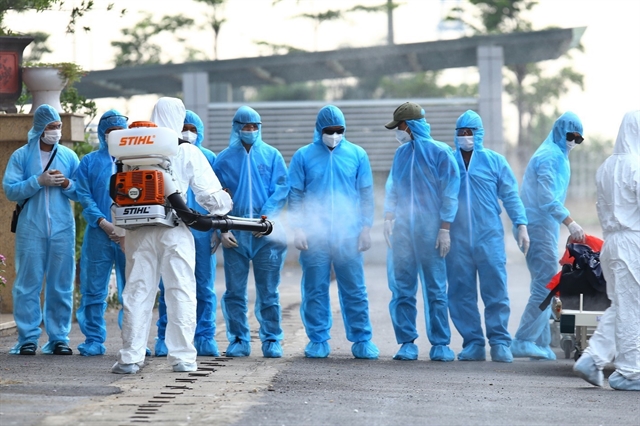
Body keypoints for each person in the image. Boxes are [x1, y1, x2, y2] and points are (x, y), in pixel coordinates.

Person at [112, 97, 232, 374]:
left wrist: (120, 231)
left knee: (138, 292)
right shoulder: (186, 151)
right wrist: (224, 204)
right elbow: (209, 194)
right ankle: (182, 357)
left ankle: (130, 357)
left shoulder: (132, 149)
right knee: (180, 291)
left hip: (138, 231)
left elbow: (120, 192)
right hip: (175, 228)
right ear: (179, 118)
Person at [289, 105, 379, 359]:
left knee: (354, 288)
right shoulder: (303, 156)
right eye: (330, 131)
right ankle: (318, 339)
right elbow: (295, 193)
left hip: (348, 233)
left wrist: (365, 228)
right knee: (315, 288)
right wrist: (298, 228)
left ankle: (362, 339)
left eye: (339, 130)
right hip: (314, 234)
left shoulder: (357, 154)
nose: (335, 135)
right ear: (320, 130)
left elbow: (365, 194)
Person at [445, 110, 529, 363]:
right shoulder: (448, 160)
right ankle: (473, 343)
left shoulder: (495, 161)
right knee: (461, 292)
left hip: (488, 235)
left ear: (479, 134)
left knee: (496, 289)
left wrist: (521, 223)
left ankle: (500, 342)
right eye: (461, 132)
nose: (465, 136)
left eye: (470, 132)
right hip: (456, 237)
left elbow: (511, 195)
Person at [383, 101, 460, 361]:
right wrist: (389, 215)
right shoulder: (401, 154)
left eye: (399, 126)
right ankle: (407, 342)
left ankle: (440, 344)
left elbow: (450, 193)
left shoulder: (440, 152)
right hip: (403, 230)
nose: (398, 131)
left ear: (410, 125)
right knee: (402, 287)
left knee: (436, 288)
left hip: (431, 230)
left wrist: (445, 228)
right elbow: (393, 186)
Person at [213, 106, 289, 358]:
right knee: (234, 291)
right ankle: (238, 339)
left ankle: (271, 339)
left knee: (268, 290)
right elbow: (215, 196)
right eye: (246, 126)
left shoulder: (272, 155)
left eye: (255, 126)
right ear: (236, 128)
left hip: (265, 233)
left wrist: (266, 218)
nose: (250, 131)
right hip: (234, 232)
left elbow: (281, 188)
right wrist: (221, 229)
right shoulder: (223, 159)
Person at [2, 104, 79, 356]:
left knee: (61, 283)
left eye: (58, 126)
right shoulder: (22, 156)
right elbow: (11, 189)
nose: (56, 131)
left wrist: (66, 183)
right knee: (27, 282)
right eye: (51, 127)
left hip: (62, 227)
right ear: (39, 128)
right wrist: (38, 181)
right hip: (31, 228)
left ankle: (59, 337)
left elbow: (81, 191)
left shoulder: (68, 156)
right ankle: (28, 338)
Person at [573, 110, 640, 390]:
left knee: (623, 305)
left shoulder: (605, 167)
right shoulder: (636, 166)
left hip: (611, 243)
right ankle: (630, 372)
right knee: (631, 308)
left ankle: (594, 358)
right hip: (631, 243)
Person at [511, 111, 585, 360]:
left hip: (543, 226)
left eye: (579, 138)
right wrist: (570, 221)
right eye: (571, 135)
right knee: (545, 286)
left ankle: (540, 343)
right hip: (538, 225)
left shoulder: (559, 155)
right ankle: (523, 340)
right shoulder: (550, 157)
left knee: (543, 283)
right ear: (560, 132)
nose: (574, 141)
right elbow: (546, 198)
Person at [154, 110, 222, 357]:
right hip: (171, 226)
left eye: (193, 128)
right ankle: (164, 336)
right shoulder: (161, 154)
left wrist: (219, 228)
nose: (188, 133)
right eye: (184, 127)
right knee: (169, 284)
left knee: (204, 286)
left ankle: (204, 336)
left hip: (202, 231)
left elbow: (217, 193)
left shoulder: (208, 157)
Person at [74, 110, 128, 356]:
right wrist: (103, 222)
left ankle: (133, 340)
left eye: (119, 131)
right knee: (94, 289)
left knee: (134, 288)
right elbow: (84, 195)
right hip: (99, 233)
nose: (114, 135)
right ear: (102, 134)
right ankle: (93, 339)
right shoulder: (89, 162)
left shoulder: (136, 161)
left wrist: (125, 227)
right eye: (110, 132)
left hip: (130, 233)